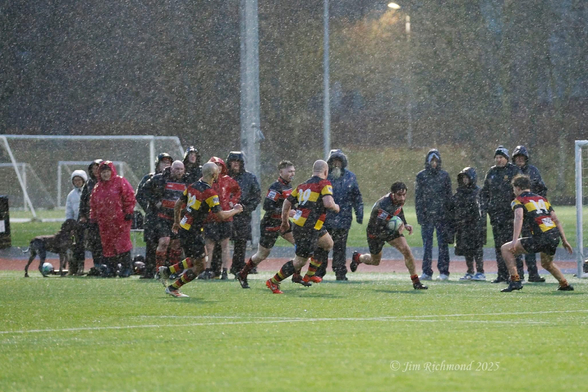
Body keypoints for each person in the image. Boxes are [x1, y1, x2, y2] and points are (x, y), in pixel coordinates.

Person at [158, 162, 243, 297]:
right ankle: (173, 287)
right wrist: (235, 210)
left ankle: (167, 271)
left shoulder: (192, 186)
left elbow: (178, 203)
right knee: (200, 266)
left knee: (196, 259)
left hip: (186, 227)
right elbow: (220, 215)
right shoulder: (210, 193)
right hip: (193, 231)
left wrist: (176, 222)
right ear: (215, 175)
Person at [265, 160, 340, 294]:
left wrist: (284, 221)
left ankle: (309, 275)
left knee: (328, 243)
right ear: (326, 172)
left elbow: (287, 202)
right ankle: (273, 281)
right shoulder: (324, 183)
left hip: (311, 224)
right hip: (307, 227)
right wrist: (336, 207)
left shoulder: (303, 185)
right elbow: (328, 203)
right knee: (299, 261)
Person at [500, 175, 574, 292]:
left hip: (542, 237)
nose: (513, 191)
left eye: (513, 188)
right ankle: (564, 284)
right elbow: (556, 219)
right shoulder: (542, 199)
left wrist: (514, 240)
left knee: (505, 248)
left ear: (518, 188)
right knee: (546, 264)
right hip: (554, 236)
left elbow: (519, 218)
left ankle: (515, 281)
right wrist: (564, 240)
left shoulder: (518, 200)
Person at [349, 182, 428, 290]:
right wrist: (398, 226)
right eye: (399, 195)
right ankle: (358, 257)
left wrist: (404, 223)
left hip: (389, 228)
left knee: (406, 250)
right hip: (375, 232)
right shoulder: (384, 205)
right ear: (393, 194)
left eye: (404, 194)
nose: (402, 197)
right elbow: (379, 226)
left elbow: (399, 210)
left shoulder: (398, 200)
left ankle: (416, 282)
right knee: (375, 261)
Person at [237, 160, 297, 289]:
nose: (292, 174)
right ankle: (243, 273)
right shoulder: (275, 187)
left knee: (300, 246)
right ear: (281, 172)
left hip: (283, 223)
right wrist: (285, 212)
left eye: (293, 171)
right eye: (289, 171)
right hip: (270, 225)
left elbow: (291, 203)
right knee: (262, 255)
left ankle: (296, 274)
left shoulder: (289, 186)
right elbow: (268, 206)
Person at [314, 149, 363, 281]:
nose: (336, 164)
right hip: (325, 218)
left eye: (339, 161)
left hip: (344, 218)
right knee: (322, 246)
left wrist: (359, 212)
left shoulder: (351, 177)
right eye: (334, 161)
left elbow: (356, 197)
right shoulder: (323, 177)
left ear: (343, 163)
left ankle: (340, 272)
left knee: (340, 247)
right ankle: (319, 272)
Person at [480, 145, 524, 283]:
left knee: (513, 245)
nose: (498, 160)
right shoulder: (491, 172)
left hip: (510, 216)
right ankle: (502, 274)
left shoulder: (514, 171)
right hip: (496, 215)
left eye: (501, 157)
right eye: (496, 157)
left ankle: (518, 275)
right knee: (499, 246)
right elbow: (485, 192)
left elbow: (520, 191)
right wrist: (487, 206)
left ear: (506, 158)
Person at [90, 161, 136, 278]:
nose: (106, 174)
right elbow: (94, 204)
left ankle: (126, 268)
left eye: (107, 171)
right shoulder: (97, 187)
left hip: (120, 220)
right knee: (108, 245)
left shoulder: (120, 182)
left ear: (112, 171)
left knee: (122, 244)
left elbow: (129, 196)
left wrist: (129, 211)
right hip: (104, 222)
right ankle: (111, 268)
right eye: (103, 172)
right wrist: (93, 218)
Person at [141, 160, 188, 274]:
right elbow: (144, 190)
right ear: (171, 169)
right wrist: (155, 202)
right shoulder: (159, 178)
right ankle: (159, 270)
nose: (179, 172)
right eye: (177, 169)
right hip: (163, 217)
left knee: (176, 244)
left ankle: (172, 270)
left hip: (178, 217)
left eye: (181, 169)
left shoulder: (188, 180)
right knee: (164, 241)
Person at [201, 157, 241, 280]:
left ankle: (225, 271)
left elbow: (237, 191)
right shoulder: (205, 181)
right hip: (210, 217)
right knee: (209, 246)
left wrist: (232, 202)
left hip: (225, 216)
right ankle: (207, 269)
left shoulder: (228, 180)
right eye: (215, 165)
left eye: (219, 165)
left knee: (225, 245)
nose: (217, 167)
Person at [512, 145, 548, 282]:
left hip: (532, 214)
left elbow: (542, 189)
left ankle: (533, 273)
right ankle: (518, 273)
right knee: (515, 243)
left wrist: (539, 205)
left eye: (522, 158)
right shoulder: (510, 171)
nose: (520, 160)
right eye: (517, 157)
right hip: (515, 211)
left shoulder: (533, 171)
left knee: (529, 243)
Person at [415, 149, 452, 281]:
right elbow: (418, 197)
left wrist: (448, 215)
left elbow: (448, 197)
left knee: (443, 244)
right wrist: (420, 215)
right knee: (427, 245)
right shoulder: (421, 176)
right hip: (426, 216)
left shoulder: (444, 176)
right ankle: (426, 271)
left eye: (436, 161)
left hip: (442, 216)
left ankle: (444, 271)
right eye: (432, 161)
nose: (434, 163)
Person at [135, 153, 173, 278]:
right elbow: (140, 194)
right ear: (158, 164)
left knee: (167, 244)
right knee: (151, 244)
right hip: (152, 217)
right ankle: (150, 270)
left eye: (168, 163)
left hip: (168, 217)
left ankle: (165, 270)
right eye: (163, 163)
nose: (166, 165)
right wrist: (150, 205)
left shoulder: (173, 179)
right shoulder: (150, 178)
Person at [226, 151, 261, 275]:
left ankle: (238, 266)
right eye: (233, 161)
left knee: (241, 242)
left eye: (238, 161)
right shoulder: (223, 177)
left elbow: (256, 196)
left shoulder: (249, 178)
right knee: (221, 241)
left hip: (242, 214)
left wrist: (245, 208)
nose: (235, 164)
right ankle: (216, 267)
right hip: (225, 214)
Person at [449, 167, 486, 281]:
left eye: (467, 177)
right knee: (466, 249)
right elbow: (453, 207)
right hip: (463, 226)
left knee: (477, 249)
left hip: (475, 225)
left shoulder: (477, 192)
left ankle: (480, 271)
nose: (465, 180)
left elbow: (481, 210)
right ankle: (470, 271)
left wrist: (479, 224)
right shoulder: (459, 192)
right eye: (463, 178)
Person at [78, 159, 104, 274]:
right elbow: (83, 201)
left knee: (107, 243)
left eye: (98, 168)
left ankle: (108, 265)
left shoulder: (110, 182)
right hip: (92, 219)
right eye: (93, 168)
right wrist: (82, 215)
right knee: (95, 243)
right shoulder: (88, 184)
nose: (96, 171)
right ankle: (97, 265)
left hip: (107, 218)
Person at [65, 169, 88, 275]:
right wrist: (69, 225)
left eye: (79, 180)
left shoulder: (88, 191)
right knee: (78, 246)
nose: (77, 182)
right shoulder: (71, 195)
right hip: (77, 224)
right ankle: (78, 266)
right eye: (75, 180)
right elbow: (69, 211)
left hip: (88, 222)